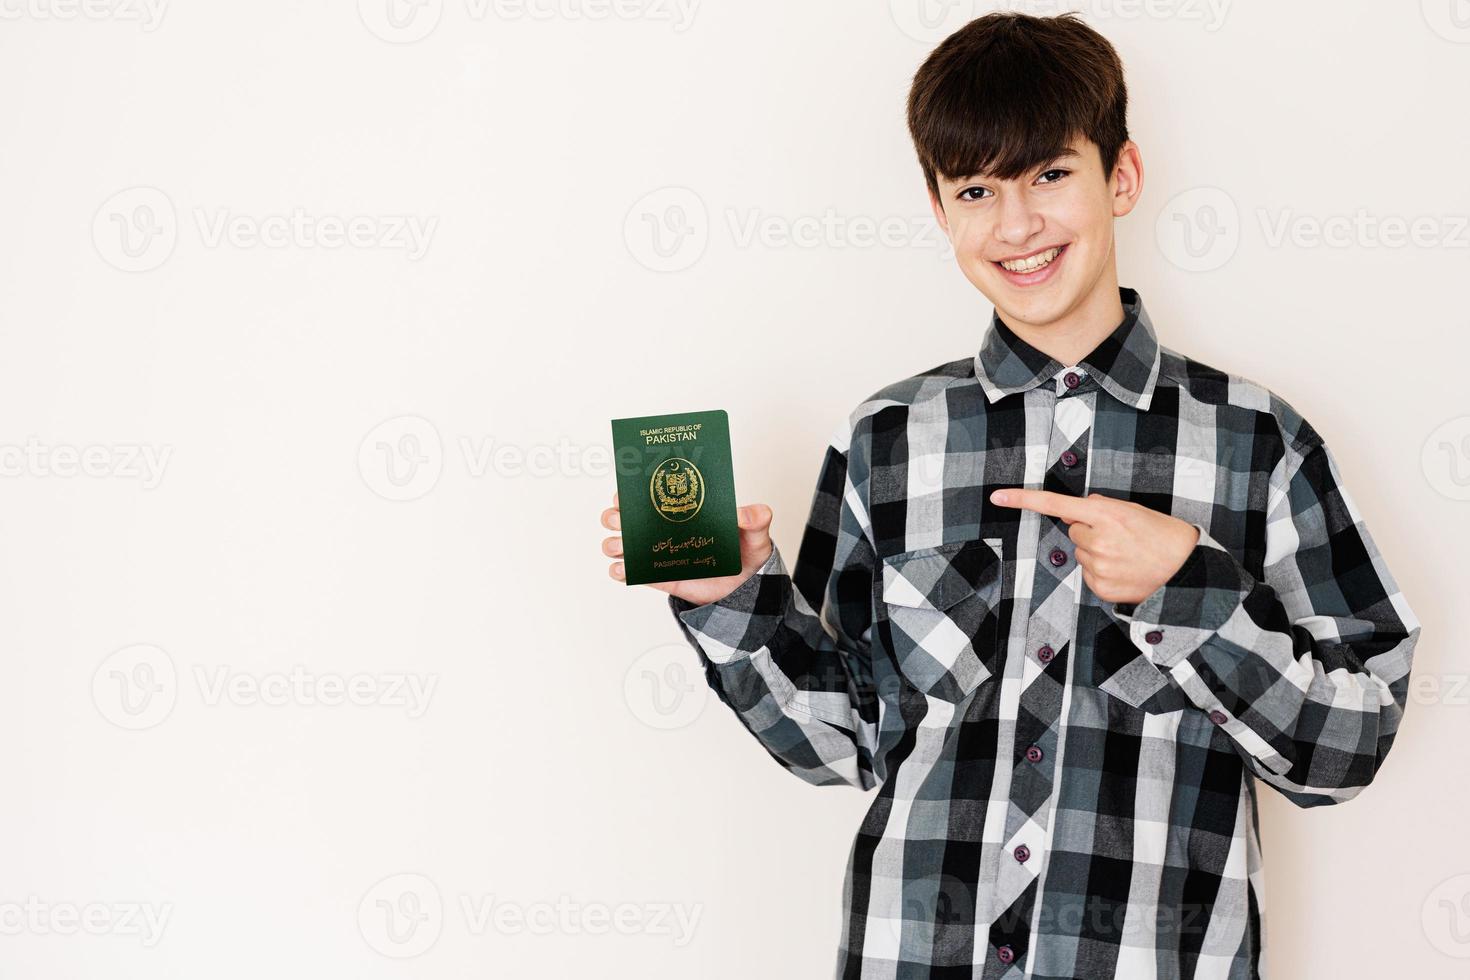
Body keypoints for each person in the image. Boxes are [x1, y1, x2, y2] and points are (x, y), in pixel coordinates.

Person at [599, 11, 1420, 978]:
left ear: (1122, 177)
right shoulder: (885, 440)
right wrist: (732, 601)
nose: (1016, 224)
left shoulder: (1258, 442)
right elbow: (843, 741)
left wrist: (1187, 590)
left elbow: (1349, 747)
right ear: (940, 210)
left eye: (1050, 175)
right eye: (977, 188)